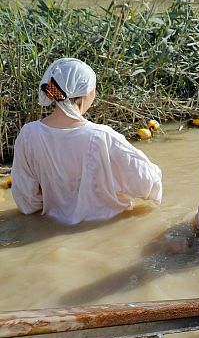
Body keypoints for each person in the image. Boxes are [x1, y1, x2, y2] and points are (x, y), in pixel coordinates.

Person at [11, 57, 162, 224]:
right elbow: (149, 184)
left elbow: (28, 203)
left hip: (55, 228)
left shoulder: (29, 134)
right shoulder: (103, 136)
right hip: (106, 232)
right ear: (87, 93)